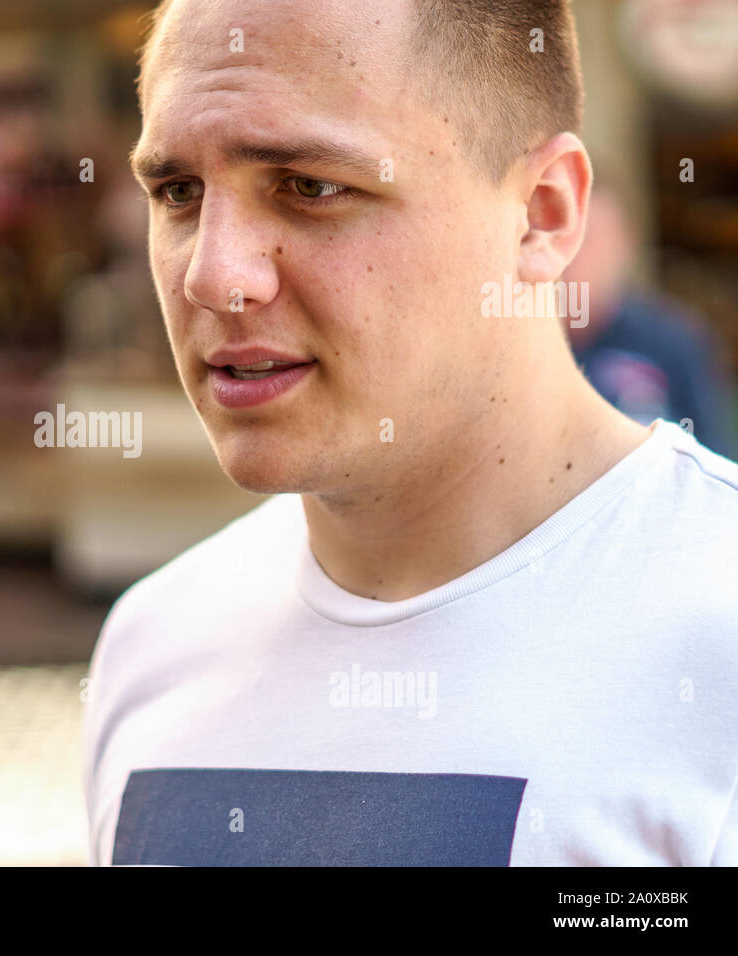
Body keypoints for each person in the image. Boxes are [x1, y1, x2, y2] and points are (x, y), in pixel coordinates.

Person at [81, 0, 738, 866]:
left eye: (310, 188)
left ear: (540, 215)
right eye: (177, 193)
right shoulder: (153, 643)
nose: (213, 275)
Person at [564, 180, 736, 458]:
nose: (573, 254)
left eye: (589, 237)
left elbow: (713, 455)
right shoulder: (522, 343)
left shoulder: (675, 340)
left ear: (626, 243)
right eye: (564, 235)